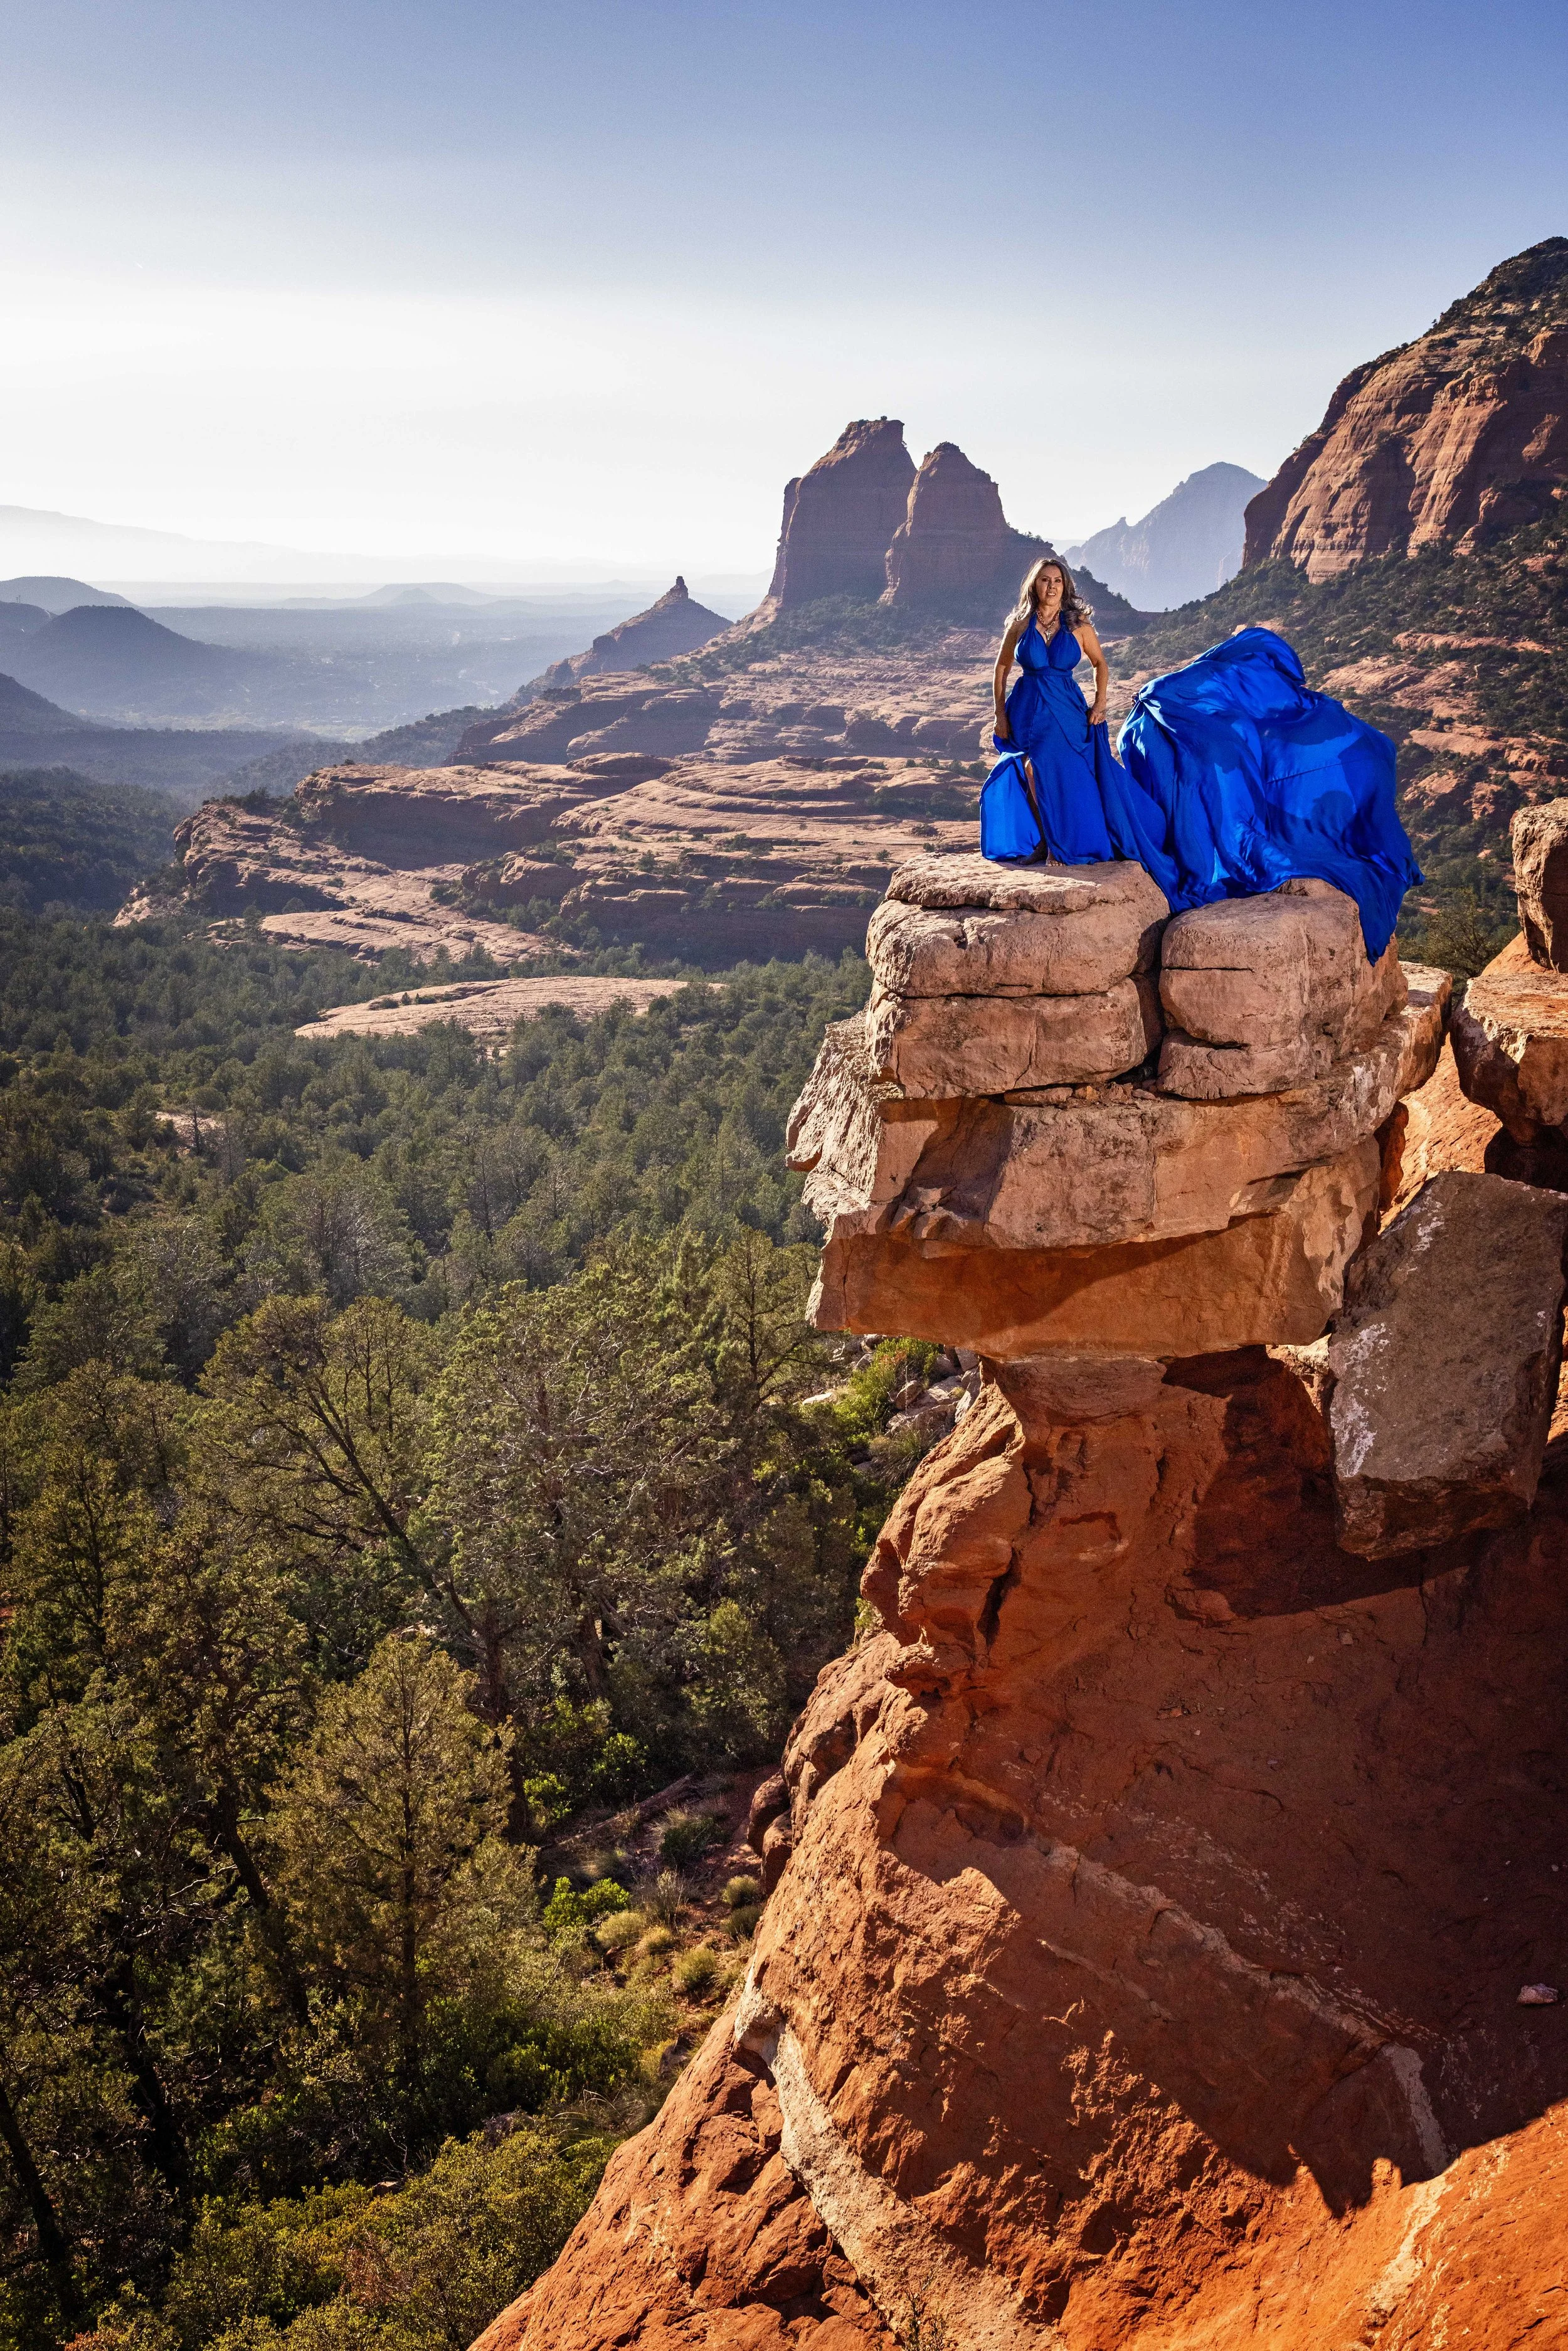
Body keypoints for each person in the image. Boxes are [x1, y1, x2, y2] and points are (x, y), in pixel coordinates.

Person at [980, 557, 1421, 962]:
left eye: (1058, 581)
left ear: (1065, 586)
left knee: (1072, 776)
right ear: (1034, 585)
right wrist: (1000, 714)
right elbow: (1002, 669)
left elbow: (1100, 664)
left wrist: (1100, 704)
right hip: (1031, 708)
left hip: (1070, 708)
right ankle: (1044, 840)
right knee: (1036, 768)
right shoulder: (1019, 625)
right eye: (1045, 580)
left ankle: (1064, 846)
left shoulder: (1077, 625)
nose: (1052, 586)